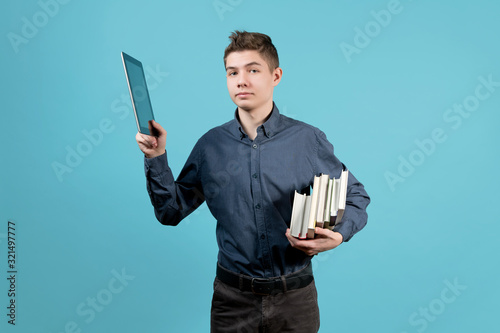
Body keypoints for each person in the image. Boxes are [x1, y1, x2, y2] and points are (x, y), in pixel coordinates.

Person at [135, 31, 370, 333]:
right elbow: (170, 212)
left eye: (253, 70)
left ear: (276, 75)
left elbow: (355, 196)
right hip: (232, 301)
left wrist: (337, 236)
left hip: (295, 300)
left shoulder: (307, 140)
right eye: (232, 72)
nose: (241, 80)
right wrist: (157, 156)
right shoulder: (210, 146)